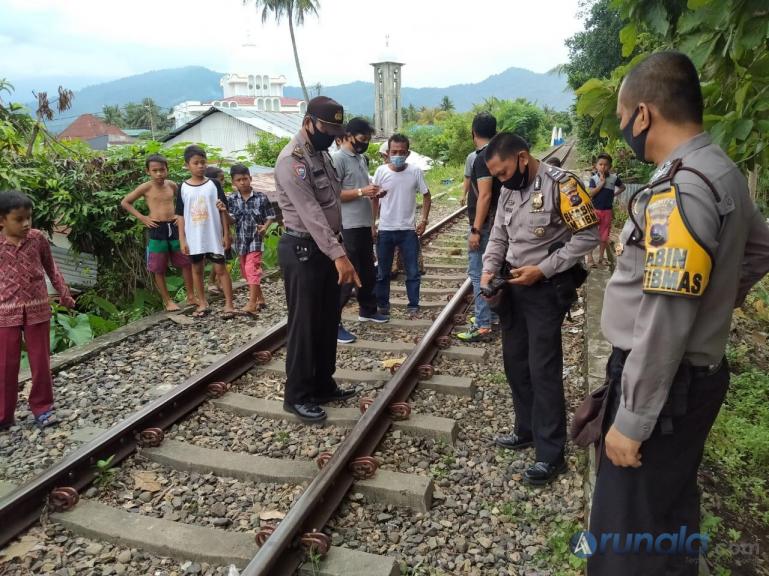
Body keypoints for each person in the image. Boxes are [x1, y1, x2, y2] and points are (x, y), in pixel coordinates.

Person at [589, 51, 769, 575]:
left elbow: (666, 315)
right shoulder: (721, 169)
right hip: (690, 379)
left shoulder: (680, 186)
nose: (624, 128)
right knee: (668, 515)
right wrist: (715, 298)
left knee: (624, 536)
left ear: (643, 114)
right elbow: (760, 248)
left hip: (663, 386)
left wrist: (632, 420)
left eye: (623, 117)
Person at [481, 133, 599, 485]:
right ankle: (526, 429)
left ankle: (551, 454)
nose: (502, 180)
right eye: (496, 176)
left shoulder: (562, 185)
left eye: (503, 172)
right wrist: (488, 270)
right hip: (513, 286)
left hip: (545, 289)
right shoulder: (508, 190)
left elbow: (588, 236)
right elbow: (498, 236)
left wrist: (543, 270)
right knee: (515, 363)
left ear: (522, 157)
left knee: (542, 369)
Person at [274, 96, 359, 423]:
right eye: (327, 129)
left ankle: (323, 383)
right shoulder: (291, 161)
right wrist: (340, 256)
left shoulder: (320, 154)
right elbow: (311, 214)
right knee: (305, 324)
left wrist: (338, 248)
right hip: (303, 250)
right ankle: (296, 395)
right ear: (308, 122)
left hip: (325, 247)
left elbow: (332, 203)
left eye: (336, 131)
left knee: (327, 320)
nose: (332, 136)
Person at [0, 191, 75, 430]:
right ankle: (4, 415)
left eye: (29, 218)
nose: (26, 224)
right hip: (5, 312)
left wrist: (64, 292)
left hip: (37, 308)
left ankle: (43, 408)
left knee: (40, 361)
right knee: (5, 364)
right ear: (2, 220)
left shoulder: (37, 238)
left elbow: (51, 267)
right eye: (18, 219)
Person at [332, 117, 389, 344]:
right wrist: (361, 192)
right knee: (348, 274)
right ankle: (333, 323)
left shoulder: (360, 159)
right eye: (361, 139)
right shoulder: (338, 159)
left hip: (363, 223)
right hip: (348, 225)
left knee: (367, 272)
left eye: (367, 140)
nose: (364, 143)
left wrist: (373, 192)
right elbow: (334, 194)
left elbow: (361, 189)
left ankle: (368, 309)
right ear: (348, 136)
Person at [121, 154, 195, 312]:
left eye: (162, 170)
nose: (159, 174)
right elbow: (125, 202)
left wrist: (180, 216)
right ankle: (168, 301)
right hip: (157, 229)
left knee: (186, 262)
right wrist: (143, 218)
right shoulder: (145, 187)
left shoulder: (172, 185)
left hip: (174, 227)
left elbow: (183, 201)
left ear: (167, 169)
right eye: (155, 171)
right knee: (158, 267)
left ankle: (191, 296)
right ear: (148, 171)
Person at [373, 133, 431, 317]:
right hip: (385, 230)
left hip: (408, 231)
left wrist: (423, 220)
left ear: (408, 153)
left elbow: (426, 195)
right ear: (388, 152)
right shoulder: (381, 172)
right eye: (394, 152)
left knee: (412, 271)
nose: (397, 155)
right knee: (382, 272)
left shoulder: (415, 171)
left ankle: (413, 305)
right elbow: (374, 198)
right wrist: (373, 224)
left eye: (401, 152)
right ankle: (383, 305)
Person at [175, 145, 235, 318]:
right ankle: (202, 302)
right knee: (197, 269)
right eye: (196, 163)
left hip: (213, 235)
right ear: (187, 165)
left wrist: (226, 234)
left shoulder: (214, 184)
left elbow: (223, 210)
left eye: (203, 162)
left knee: (221, 269)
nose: (200, 166)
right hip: (194, 237)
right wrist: (182, 239)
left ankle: (229, 303)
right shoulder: (183, 187)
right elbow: (180, 215)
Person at [457, 112, 501, 342]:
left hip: (484, 226)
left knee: (478, 274)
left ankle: (483, 324)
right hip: (497, 224)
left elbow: (485, 195)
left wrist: (475, 230)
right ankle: (491, 316)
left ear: (473, 132)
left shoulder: (482, 157)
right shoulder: (499, 153)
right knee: (492, 272)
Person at [224, 164, 275, 316]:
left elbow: (270, 215)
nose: (242, 182)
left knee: (251, 268)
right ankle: (260, 299)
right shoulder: (231, 199)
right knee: (246, 272)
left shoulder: (261, 197)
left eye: (245, 179)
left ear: (250, 178)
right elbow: (231, 220)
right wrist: (223, 212)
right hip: (241, 240)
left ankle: (252, 303)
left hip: (255, 238)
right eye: (239, 180)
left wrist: (265, 227)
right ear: (233, 182)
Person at [587, 152, 625, 268]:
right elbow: (591, 193)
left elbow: (623, 187)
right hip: (594, 211)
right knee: (591, 235)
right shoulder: (593, 179)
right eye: (600, 164)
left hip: (607, 211)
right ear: (596, 166)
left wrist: (614, 194)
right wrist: (602, 183)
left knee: (604, 236)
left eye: (606, 165)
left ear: (610, 166)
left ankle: (601, 257)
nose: (603, 167)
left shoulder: (614, 178)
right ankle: (590, 258)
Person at [205, 166, 229, 295]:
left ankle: (218, 281)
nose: (223, 182)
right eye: (221, 179)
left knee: (220, 257)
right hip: (210, 230)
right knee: (215, 257)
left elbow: (225, 213)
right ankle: (211, 282)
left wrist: (227, 232)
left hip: (221, 229)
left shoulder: (221, 193)